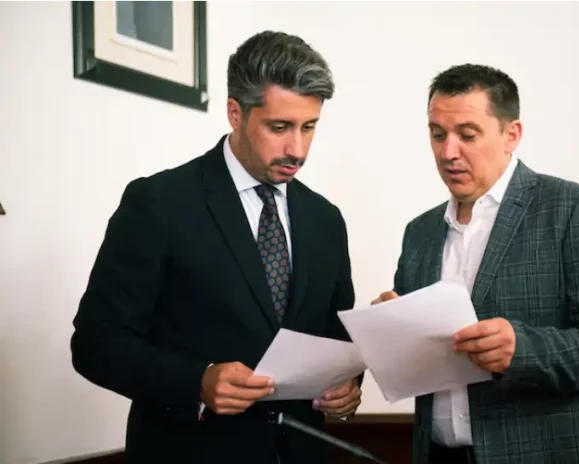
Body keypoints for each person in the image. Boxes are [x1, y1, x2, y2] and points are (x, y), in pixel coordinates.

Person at [71, 30, 362, 464]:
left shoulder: (327, 220)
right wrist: (197, 382)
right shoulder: (158, 204)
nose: (297, 149)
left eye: (309, 127)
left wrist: (348, 388)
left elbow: (336, 340)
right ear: (235, 113)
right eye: (279, 127)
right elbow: (95, 344)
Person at [372, 64, 579, 464]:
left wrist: (522, 351)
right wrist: (390, 330)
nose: (447, 152)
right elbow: (419, 361)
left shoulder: (573, 208)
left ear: (512, 135)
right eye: (437, 134)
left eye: (467, 135)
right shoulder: (419, 232)